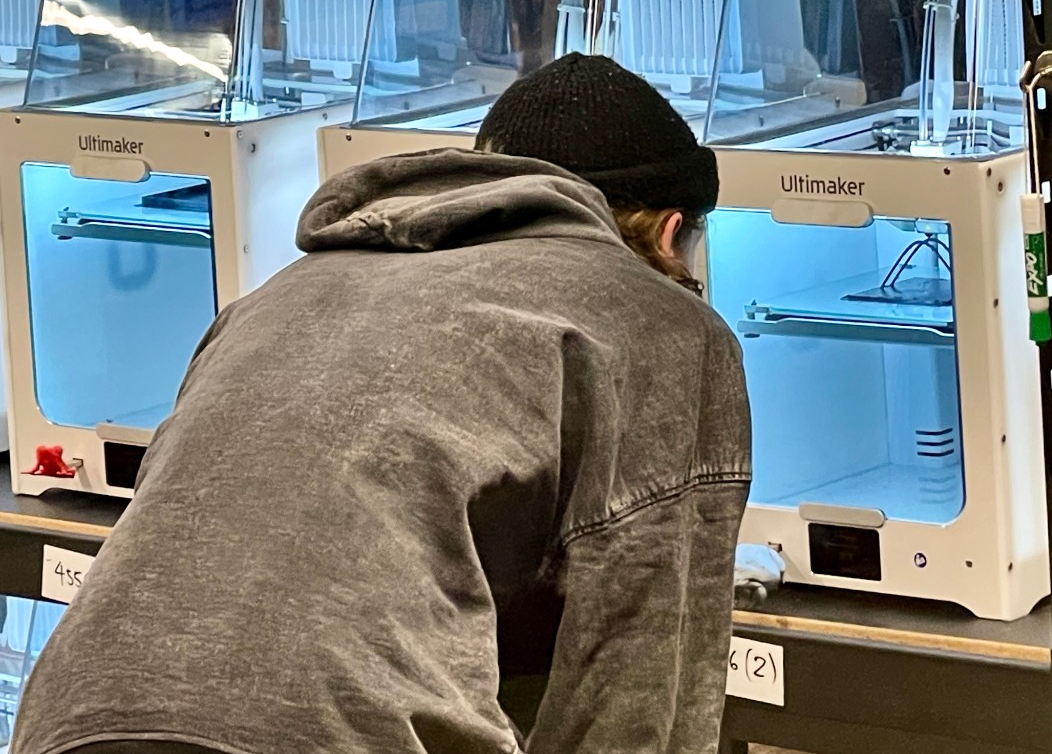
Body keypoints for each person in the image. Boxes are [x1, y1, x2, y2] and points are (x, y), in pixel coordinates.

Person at [12, 54, 751, 754]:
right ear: (670, 231)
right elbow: (638, 681)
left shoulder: (281, 293)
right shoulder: (659, 323)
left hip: (71, 717)